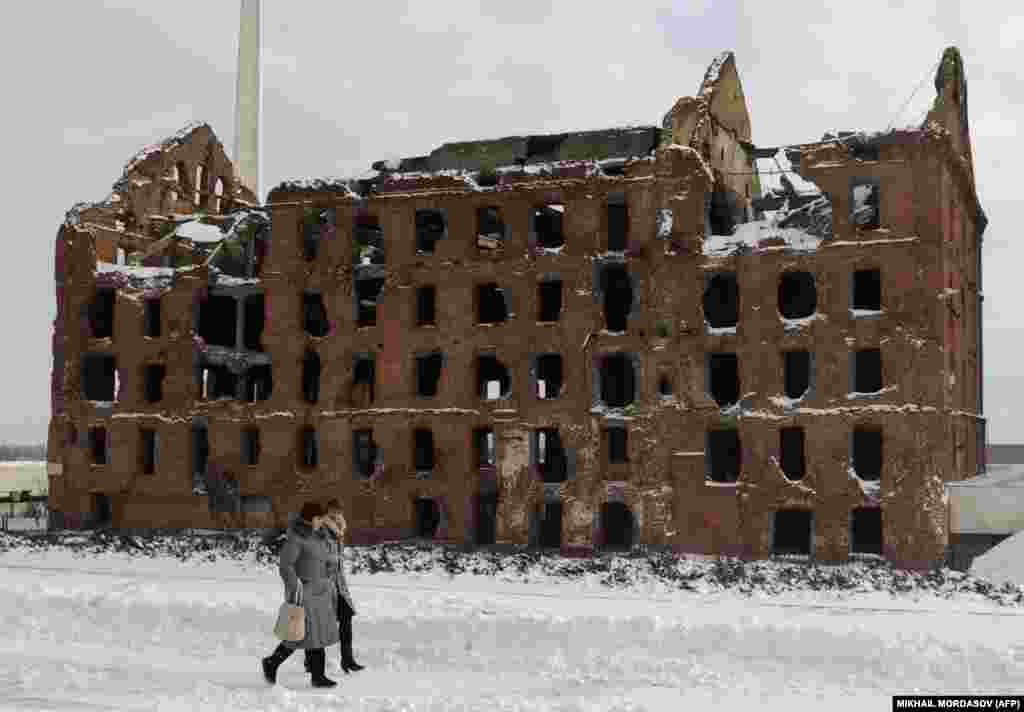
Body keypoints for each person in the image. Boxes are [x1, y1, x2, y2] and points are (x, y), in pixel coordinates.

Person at [261, 501, 341, 688]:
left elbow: (323, 556)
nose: (322, 521)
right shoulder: (296, 539)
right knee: (301, 634)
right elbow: (286, 565)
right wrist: (295, 585)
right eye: (320, 518)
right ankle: (274, 663)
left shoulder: (320, 535)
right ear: (311, 518)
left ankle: (315, 675)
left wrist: (330, 565)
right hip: (304, 591)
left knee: (314, 635)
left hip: (321, 590)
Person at [305, 498, 364, 674]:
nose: (336, 514)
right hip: (322, 582)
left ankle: (348, 660)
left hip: (338, 583)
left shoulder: (339, 530)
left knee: (346, 617)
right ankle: (310, 662)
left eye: (338, 511)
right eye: (333, 511)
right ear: (327, 512)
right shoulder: (321, 529)